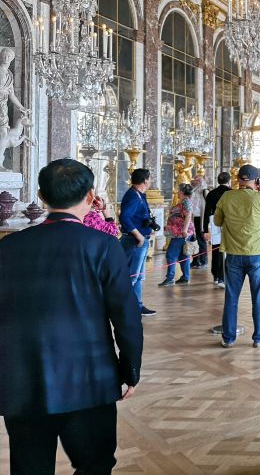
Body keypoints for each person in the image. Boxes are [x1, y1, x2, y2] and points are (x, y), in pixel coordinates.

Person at [0, 158, 143, 474]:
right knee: (95, 463)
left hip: (24, 379)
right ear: (92, 197)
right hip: (88, 378)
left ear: (41, 196)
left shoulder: (8, 247)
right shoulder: (103, 246)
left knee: (29, 467)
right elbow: (126, 316)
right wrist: (130, 368)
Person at [214, 164, 260, 348]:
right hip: (257, 255)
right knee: (259, 297)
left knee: (231, 297)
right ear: (257, 180)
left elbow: (217, 220)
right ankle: (258, 338)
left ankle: (228, 338)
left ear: (237, 179)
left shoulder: (227, 197)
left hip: (233, 255)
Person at [119, 168, 157, 317]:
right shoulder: (133, 197)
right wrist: (139, 235)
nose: (151, 181)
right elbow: (125, 218)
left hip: (140, 240)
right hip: (134, 242)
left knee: (139, 276)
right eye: (150, 178)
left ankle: (137, 305)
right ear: (145, 180)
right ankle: (125, 307)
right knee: (132, 276)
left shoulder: (139, 195)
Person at [159, 183, 196, 286]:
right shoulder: (184, 201)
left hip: (181, 233)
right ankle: (185, 277)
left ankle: (170, 278)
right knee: (182, 255)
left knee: (171, 254)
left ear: (183, 192)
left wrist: (184, 230)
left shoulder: (186, 201)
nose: (177, 192)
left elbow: (188, 216)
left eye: (179, 190)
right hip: (179, 232)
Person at [203, 171, 231, 288]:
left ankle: (216, 275)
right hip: (229, 223)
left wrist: (205, 229)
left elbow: (206, 212)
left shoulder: (211, 194)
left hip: (214, 223)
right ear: (229, 181)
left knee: (216, 249)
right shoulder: (232, 193)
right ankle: (223, 277)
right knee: (228, 251)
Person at [190, 173, 208, 269]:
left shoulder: (205, 191)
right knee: (193, 239)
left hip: (201, 218)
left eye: (198, 180)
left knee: (201, 240)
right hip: (193, 217)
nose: (195, 181)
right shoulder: (192, 190)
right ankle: (195, 260)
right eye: (195, 180)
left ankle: (203, 261)